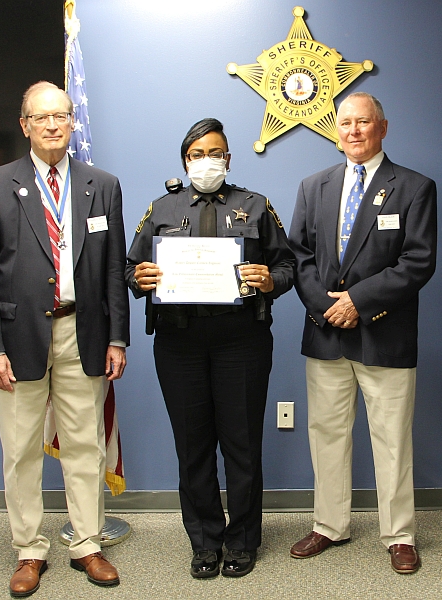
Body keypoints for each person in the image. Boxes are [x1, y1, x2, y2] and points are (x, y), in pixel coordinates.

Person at [0, 81, 129, 597]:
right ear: (25, 125)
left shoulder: (101, 184)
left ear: (73, 121)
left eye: (61, 115)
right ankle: (30, 548)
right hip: (16, 339)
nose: (53, 125)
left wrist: (118, 337)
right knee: (21, 452)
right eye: (42, 117)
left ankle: (86, 543)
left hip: (86, 332)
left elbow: (111, 271)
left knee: (86, 445)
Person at [125, 118, 294, 579]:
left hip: (241, 339)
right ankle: (204, 542)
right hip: (179, 342)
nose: (206, 162)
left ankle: (241, 541)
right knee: (192, 446)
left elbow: (288, 266)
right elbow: (130, 268)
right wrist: (139, 278)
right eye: (196, 155)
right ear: (185, 160)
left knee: (241, 445)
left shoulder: (256, 206)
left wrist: (269, 280)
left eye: (214, 153)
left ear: (228, 158)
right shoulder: (160, 207)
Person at [288, 92, 437, 574]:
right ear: (336, 130)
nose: (354, 131)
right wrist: (327, 308)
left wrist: (359, 303)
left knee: (392, 439)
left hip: (384, 334)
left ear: (383, 127)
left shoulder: (414, 187)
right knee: (326, 434)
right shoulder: (314, 186)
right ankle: (329, 525)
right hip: (326, 333)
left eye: (363, 122)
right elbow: (298, 258)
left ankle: (399, 534)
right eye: (345, 123)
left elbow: (418, 262)